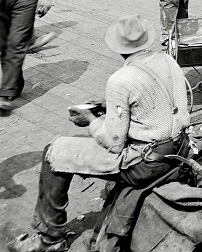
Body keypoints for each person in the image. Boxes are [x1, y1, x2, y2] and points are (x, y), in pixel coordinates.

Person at [7, 15, 190, 252]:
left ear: (117, 47)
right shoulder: (166, 60)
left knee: (54, 152)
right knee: (73, 146)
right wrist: (108, 104)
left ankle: (49, 239)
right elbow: (154, 99)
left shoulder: (121, 79)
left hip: (145, 164)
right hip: (179, 150)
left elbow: (113, 143)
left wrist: (91, 120)